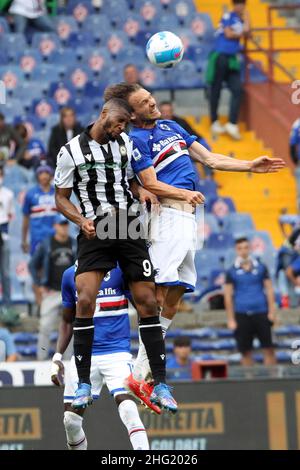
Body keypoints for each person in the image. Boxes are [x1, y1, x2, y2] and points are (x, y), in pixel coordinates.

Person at [103, 82, 284, 402]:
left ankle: (141, 372)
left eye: (150, 97)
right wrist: (185, 193)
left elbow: (211, 159)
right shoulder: (135, 140)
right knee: (157, 291)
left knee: (176, 294)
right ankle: (140, 370)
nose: (152, 102)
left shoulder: (172, 126)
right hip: (168, 217)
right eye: (144, 101)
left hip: (189, 219)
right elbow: (150, 182)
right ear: (131, 113)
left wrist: (249, 166)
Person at [54, 97, 184, 412]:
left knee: (149, 301)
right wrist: (79, 220)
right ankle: (83, 383)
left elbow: (130, 181)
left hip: (128, 226)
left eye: (126, 124)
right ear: (104, 114)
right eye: (119, 122)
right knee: (85, 299)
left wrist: (143, 191)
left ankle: (161, 384)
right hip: (94, 229)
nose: (121, 128)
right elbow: (60, 198)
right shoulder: (70, 152)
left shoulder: (124, 143)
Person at [51, 265, 151, 450]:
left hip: (117, 353)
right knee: (70, 421)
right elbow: (66, 320)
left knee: (128, 408)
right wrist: (57, 356)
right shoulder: (69, 275)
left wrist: (147, 352)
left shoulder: (121, 270)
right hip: (83, 357)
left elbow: (144, 309)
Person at [29, 215, 76, 360]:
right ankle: (41, 360)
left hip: (70, 292)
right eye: (61, 224)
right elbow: (32, 265)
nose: (64, 227)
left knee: (70, 327)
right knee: (44, 327)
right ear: (55, 226)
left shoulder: (74, 243)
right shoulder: (47, 244)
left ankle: (68, 361)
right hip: (51, 291)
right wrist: (39, 284)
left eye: (66, 224)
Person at [224, 237, 277, 366]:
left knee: (269, 349)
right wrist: (231, 319)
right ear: (236, 250)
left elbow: (269, 290)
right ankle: (249, 383)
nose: (243, 251)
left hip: (261, 312)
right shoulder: (231, 271)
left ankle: (271, 381)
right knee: (245, 351)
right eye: (240, 248)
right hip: (241, 314)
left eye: (246, 247)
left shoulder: (261, 267)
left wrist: (272, 312)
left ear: (250, 248)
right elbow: (227, 296)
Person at [207, 0, 250, 140]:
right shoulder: (228, 16)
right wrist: (242, 32)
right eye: (238, 3)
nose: (240, 6)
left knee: (238, 89)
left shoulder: (241, 19)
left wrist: (247, 19)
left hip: (232, 58)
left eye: (242, 3)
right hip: (220, 56)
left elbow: (247, 32)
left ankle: (232, 123)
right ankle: (214, 120)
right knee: (216, 89)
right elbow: (228, 34)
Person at [0, 165, 14, 308]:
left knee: (5, 271)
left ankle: (7, 305)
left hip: (3, 232)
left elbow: (9, 214)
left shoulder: (8, 194)